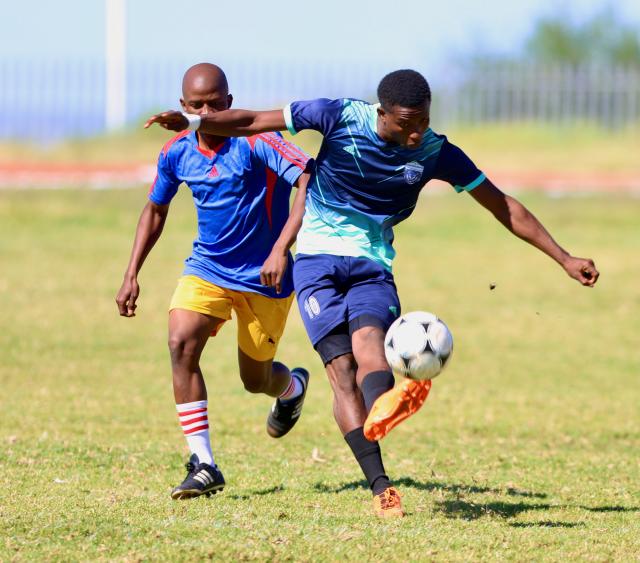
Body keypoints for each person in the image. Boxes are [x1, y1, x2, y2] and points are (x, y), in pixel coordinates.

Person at [144, 69, 600, 517]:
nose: (416, 132)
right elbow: (248, 122)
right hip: (315, 264)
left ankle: (384, 407)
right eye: (406, 123)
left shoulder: (438, 152)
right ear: (383, 113)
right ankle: (381, 485)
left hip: (372, 266)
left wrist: (564, 257)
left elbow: (503, 205)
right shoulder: (338, 116)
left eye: (422, 120)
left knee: (369, 354)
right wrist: (195, 123)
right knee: (340, 374)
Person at [116, 63, 313, 500]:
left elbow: (307, 179)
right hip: (207, 270)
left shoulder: (259, 141)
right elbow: (155, 210)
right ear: (184, 106)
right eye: (197, 105)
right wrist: (132, 273)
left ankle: (292, 388)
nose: (207, 111)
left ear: (229, 101)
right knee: (180, 342)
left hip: (267, 279)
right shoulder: (175, 152)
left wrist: (281, 247)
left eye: (214, 103)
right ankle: (203, 464)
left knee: (255, 379)